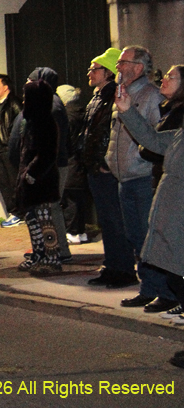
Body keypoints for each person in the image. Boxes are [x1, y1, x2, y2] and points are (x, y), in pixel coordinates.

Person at [114, 80, 184, 367]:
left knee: (177, 277)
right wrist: (127, 111)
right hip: (172, 215)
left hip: (179, 217)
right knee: (175, 275)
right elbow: (153, 140)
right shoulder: (180, 134)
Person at [106, 45, 177, 313]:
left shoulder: (151, 96)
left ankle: (165, 293)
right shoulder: (124, 94)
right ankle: (148, 289)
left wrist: (142, 164)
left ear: (137, 67)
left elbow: (157, 139)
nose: (118, 67)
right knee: (136, 237)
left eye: (122, 62)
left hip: (144, 177)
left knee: (152, 238)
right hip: (125, 177)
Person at [80, 48, 139, 289]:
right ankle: (112, 265)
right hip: (96, 168)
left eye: (94, 69)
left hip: (106, 170)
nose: (89, 73)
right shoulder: (97, 97)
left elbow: (112, 133)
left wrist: (106, 163)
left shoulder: (114, 96)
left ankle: (123, 269)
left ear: (108, 72)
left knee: (116, 222)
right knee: (107, 221)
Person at [15, 80, 62, 275]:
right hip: (30, 181)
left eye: (26, 96)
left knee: (45, 221)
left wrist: (32, 173)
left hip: (42, 181)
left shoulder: (45, 121)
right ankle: (38, 254)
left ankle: (52, 258)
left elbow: (47, 153)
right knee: (32, 219)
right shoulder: (32, 121)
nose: (24, 100)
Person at [56, 85, 93, 244]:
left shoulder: (67, 117)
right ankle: (80, 230)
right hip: (80, 162)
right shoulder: (83, 112)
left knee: (69, 198)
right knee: (78, 198)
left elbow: (66, 141)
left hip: (70, 162)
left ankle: (72, 232)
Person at [0, 74, 22, 226]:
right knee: (2, 182)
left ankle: (20, 213)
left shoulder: (14, 103)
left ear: (5, 87)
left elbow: (21, 126)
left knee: (14, 181)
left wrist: (15, 146)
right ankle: (13, 212)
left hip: (9, 149)